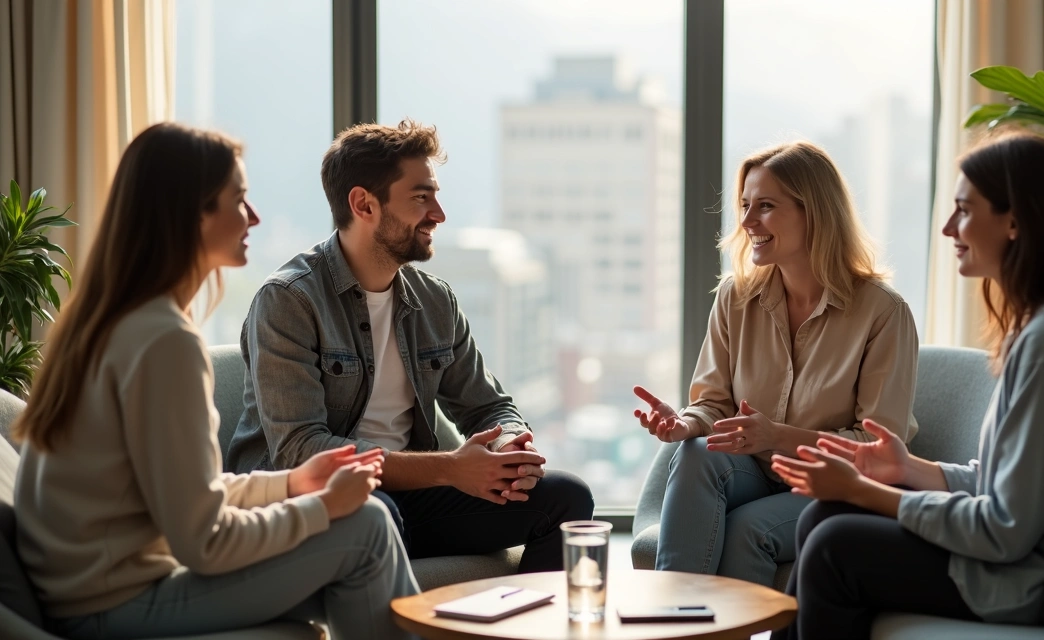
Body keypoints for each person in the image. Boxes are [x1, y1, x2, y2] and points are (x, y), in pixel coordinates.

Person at [12, 122, 416, 640]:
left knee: (362, 537)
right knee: (367, 528)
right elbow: (204, 540)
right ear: (191, 214)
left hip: (92, 591)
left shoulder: (115, 321)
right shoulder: (164, 342)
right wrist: (323, 507)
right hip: (112, 605)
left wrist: (292, 484)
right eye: (239, 199)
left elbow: (187, 493)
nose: (254, 216)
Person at [769, 132, 1044, 638]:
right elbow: (1008, 485)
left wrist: (864, 490)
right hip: (1029, 553)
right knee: (824, 515)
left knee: (832, 548)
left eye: (965, 211)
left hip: (1036, 576)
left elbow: (1005, 529)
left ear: (1015, 222)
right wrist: (910, 469)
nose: (949, 227)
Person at [225, 119, 593, 572]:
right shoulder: (289, 300)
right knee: (376, 512)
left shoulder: (434, 300)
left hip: (410, 500)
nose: (439, 214)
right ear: (363, 204)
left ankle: (516, 614)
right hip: (313, 504)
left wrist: (510, 448)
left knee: (567, 497)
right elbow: (301, 450)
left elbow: (489, 405)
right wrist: (450, 468)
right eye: (421, 197)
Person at [632, 140, 919, 586]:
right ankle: (677, 618)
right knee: (694, 455)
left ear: (815, 213)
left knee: (748, 529)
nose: (747, 221)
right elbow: (713, 404)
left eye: (765, 206)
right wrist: (685, 424)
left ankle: (723, 620)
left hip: (837, 483)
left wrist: (778, 436)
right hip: (754, 472)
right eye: (745, 205)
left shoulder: (883, 312)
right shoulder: (734, 297)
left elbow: (877, 448)